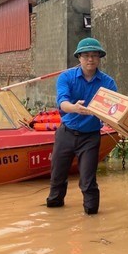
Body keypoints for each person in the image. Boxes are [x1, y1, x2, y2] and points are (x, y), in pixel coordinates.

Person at [46, 37, 117, 215]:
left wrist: (112, 119)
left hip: (91, 136)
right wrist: (75, 108)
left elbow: (114, 109)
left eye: (94, 55)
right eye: (86, 56)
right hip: (66, 133)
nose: (90, 59)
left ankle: (92, 216)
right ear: (79, 57)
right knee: (57, 177)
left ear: (99, 58)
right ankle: (54, 214)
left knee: (88, 180)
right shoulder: (66, 78)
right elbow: (62, 102)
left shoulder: (108, 83)